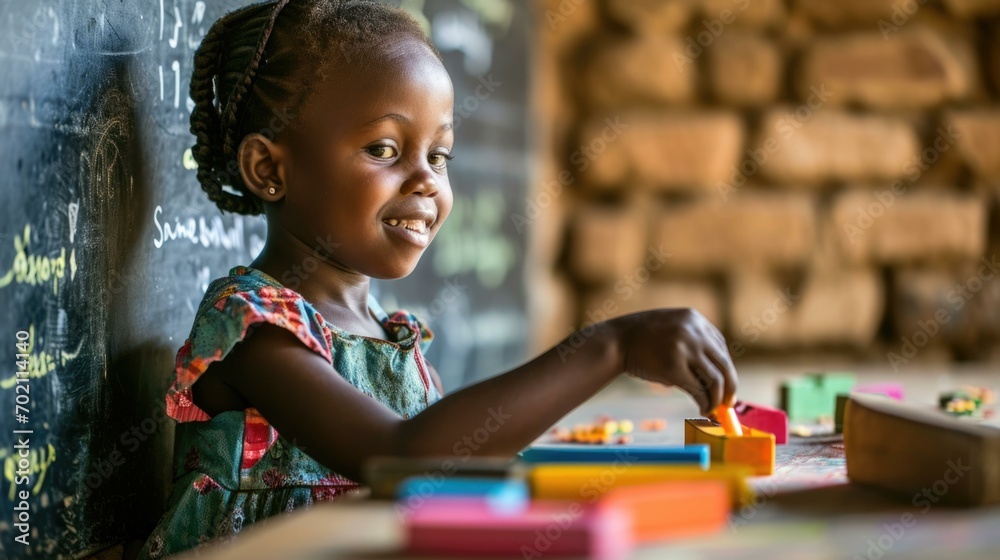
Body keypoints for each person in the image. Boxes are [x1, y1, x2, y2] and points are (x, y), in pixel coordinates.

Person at [136, 1, 738, 557]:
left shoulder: (395, 338)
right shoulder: (253, 332)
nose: (425, 179)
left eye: (439, 155)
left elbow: (450, 466)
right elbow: (404, 460)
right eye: (383, 149)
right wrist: (613, 346)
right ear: (269, 167)